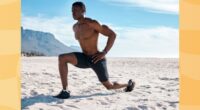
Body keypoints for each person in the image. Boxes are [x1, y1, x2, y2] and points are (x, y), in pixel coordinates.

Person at [54, 1, 135, 99]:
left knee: (109, 86)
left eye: (76, 10)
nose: (73, 13)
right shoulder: (75, 27)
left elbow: (112, 35)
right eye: (72, 11)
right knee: (62, 58)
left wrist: (104, 52)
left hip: (96, 58)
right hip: (84, 58)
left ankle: (128, 84)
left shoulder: (92, 23)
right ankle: (65, 90)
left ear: (83, 10)